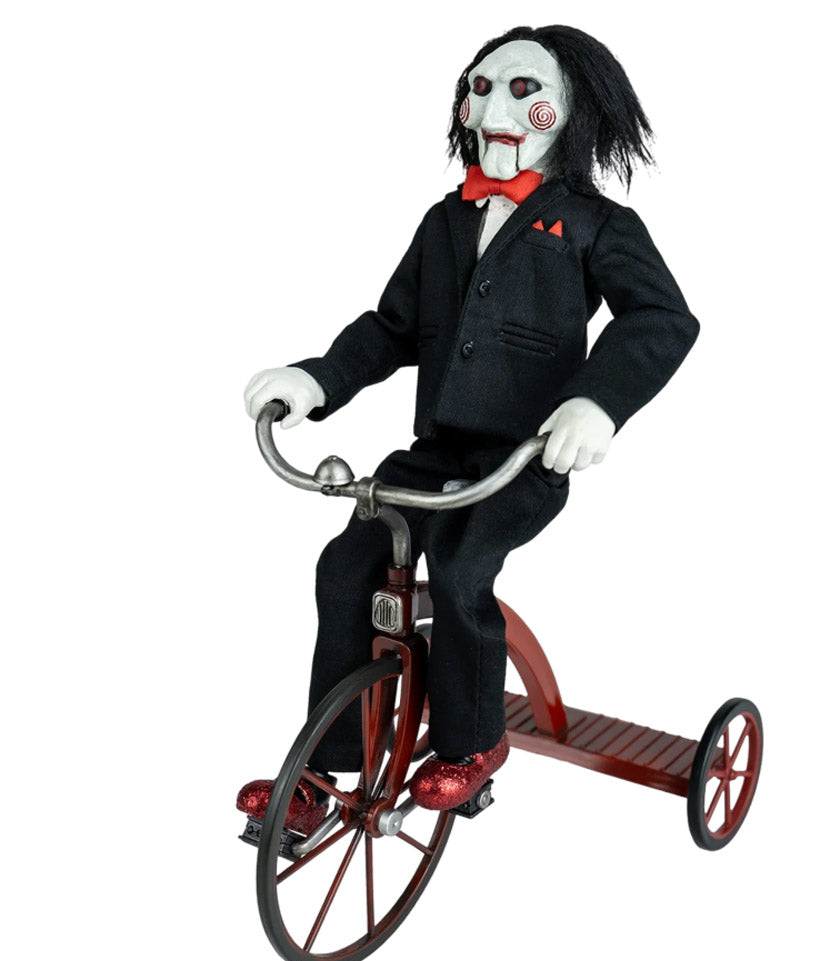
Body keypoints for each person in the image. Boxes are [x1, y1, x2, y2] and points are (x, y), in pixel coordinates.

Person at [237, 25, 700, 826]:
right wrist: (318, 379)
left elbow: (661, 318)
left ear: (574, 111)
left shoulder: (593, 223)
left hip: (521, 459)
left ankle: (472, 744)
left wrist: (596, 402)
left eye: (524, 92)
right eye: (479, 89)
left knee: (458, 572)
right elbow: (391, 327)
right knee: (347, 566)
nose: (493, 111)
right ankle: (330, 766)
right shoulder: (446, 221)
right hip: (435, 451)